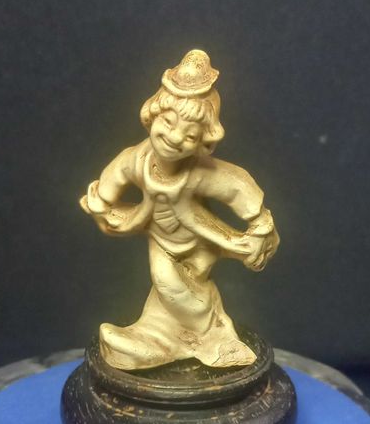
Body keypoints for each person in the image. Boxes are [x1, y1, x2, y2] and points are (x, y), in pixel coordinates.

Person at [81, 50, 279, 370]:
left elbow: (236, 184)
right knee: (166, 283)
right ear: (152, 116)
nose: (174, 138)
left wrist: (260, 224)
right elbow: (112, 179)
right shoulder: (136, 160)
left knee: (179, 285)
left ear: (203, 140)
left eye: (189, 134)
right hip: (161, 240)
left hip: (202, 240)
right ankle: (156, 336)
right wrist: (101, 204)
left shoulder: (201, 173)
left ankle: (212, 337)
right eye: (167, 122)